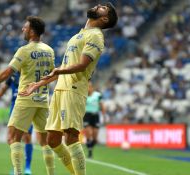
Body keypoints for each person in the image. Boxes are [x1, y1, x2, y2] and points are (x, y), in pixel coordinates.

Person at [20, 3, 118, 175]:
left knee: (71, 136)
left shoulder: (96, 36)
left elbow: (82, 65)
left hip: (74, 89)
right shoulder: (79, 35)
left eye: (103, 7)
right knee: (52, 140)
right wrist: (38, 84)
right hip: (60, 89)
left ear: (104, 18)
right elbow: (65, 66)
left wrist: (59, 70)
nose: (98, 5)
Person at [0, 16, 55, 175]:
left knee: (13, 137)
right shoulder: (49, 50)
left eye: (25, 27)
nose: (23, 29)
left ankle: (18, 172)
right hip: (43, 100)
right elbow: (53, 75)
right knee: (44, 142)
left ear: (32, 31)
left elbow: (7, 73)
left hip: (25, 99)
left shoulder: (24, 50)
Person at [0, 73, 34, 174]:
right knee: (11, 138)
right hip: (14, 107)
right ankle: (16, 166)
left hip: (27, 105)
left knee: (27, 137)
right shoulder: (13, 75)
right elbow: (3, 89)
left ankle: (27, 167)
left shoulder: (30, 70)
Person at [83, 81, 106, 158]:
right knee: (89, 133)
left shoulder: (98, 95)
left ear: (92, 87)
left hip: (96, 116)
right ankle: (90, 152)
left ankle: (90, 148)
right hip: (87, 116)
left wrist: (104, 116)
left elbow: (102, 106)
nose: (88, 88)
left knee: (95, 137)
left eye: (89, 87)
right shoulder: (84, 96)